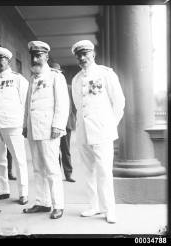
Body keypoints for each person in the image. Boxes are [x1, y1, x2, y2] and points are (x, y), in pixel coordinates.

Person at [71, 40, 125, 223]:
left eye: (85, 53)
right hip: (84, 132)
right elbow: (79, 106)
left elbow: (119, 102)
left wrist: (110, 125)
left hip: (102, 131)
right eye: (79, 55)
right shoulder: (76, 79)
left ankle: (110, 209)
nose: (82, 57)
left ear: (93, 54)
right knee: (88, 171)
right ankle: (94, 206)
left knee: (104, 171)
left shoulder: (105, 74)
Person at [23, 41, 69, 219]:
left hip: (49, 129)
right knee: (38, 168)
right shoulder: (33, 78)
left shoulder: (56, 77)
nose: (35, 59)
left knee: (51, 168)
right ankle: (43, 203)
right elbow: (29, 105)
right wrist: (25, 126)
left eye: (39, 55)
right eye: (33, 56)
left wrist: (58, 125)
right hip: (34, 130)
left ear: (46, 57)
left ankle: (58, 205)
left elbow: (62, 104)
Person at [0, 47, 29, 205]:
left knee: (19, 159)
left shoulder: (18, 79)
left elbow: (25, 103)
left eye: (1, 59)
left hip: (12, 124)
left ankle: (23, 193)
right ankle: (3, 190)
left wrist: (24, 125)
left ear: (8, 61)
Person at [50, 62, 77, 182]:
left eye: (57, 72)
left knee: (66, 149)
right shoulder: (49, 87)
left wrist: (72, 119)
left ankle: (68, 174)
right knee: (54, 150)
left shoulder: (69, 87)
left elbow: (75, 106)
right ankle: (56, 173)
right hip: (53, 124)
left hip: (66, 124)